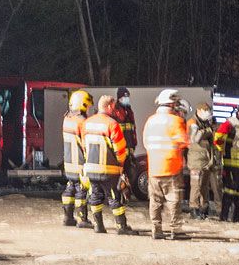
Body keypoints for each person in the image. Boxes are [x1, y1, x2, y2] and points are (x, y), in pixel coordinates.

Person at [82, 97, 138, 235]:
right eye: (113, 106)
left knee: (94, 196)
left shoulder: (86, 123)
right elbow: (120, 149)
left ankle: (98, 226)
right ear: (108, 107)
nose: (115, 109)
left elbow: (84, 146)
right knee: (115, 197)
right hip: (109, 168)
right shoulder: (112, 124)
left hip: (91, 168)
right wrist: (120, 165)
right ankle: (121, 227)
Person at [143, 91, 190, 240]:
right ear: (172, 103)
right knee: (173, 199)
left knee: (155, 201)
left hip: (154, 167)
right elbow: (184, 141)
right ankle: (175, 230)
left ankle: (156, 229)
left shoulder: (150, 120)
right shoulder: (176, 121)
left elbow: (146, 142)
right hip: (171, 167)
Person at [60, 89, 92, 228]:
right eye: (88, 106)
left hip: (68, 163)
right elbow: (86, 143)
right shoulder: (82, 122)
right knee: (81, 191)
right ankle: (82, 219)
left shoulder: (67, 119)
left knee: (70, 189)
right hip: (80, 163)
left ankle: (67, 217)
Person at [186, 102, 220, 219]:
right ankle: (193, 207)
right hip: (196, 160)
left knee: (204, 186)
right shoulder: (193, 123)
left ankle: (204, 207)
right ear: (199, 111)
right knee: (196, 185)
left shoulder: (205, 123)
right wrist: (208, 131)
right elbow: (194, 139)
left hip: (206, 159)